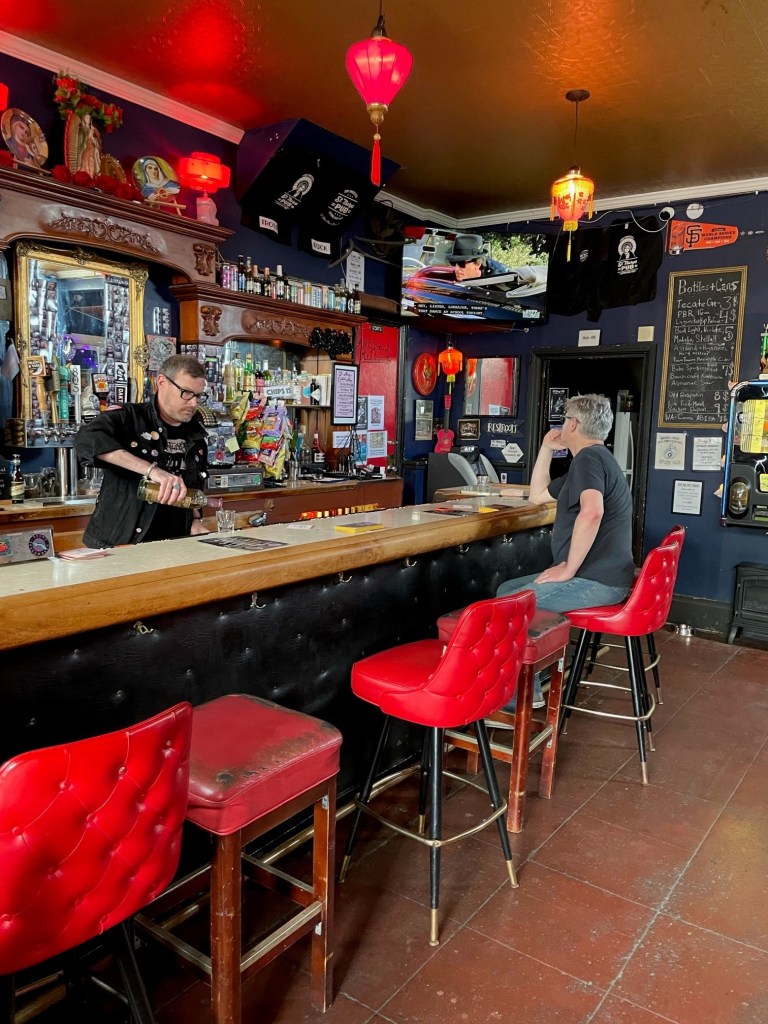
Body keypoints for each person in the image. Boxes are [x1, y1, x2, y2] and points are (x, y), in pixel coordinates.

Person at [496, 393, 635, 707]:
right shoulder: (593, 461)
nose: (562, 425)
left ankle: (515, 700)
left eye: (564, 420)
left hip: (596, 580)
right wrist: (546, 448)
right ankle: (532, 680)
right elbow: (537, 496)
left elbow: (592, 511)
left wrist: (569, 568)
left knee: (509, 607)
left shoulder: (589, 459)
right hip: (603, 577)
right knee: (507, 589)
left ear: (573, 423)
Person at [75, 354, 211, 547]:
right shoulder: (129, 418)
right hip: (119, 545)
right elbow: (85, 439)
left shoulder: (196, 435)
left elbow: (190, 489)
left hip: (173, 548)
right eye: (187, 393)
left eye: (198, 396)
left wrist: (195, 520)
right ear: (162, 382)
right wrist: (152, 471)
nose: (194, 403)